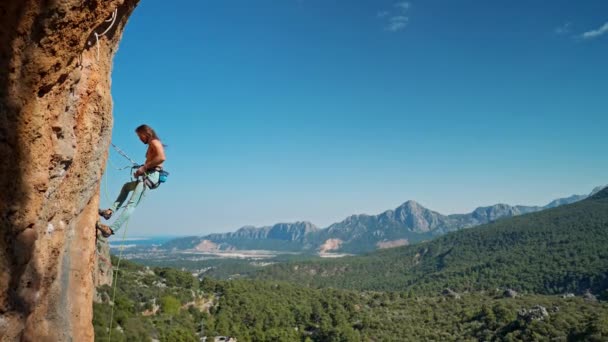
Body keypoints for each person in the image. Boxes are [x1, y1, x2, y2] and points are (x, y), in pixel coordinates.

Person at [96, 124, 166, 238]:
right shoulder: (152, 144)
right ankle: (109, 212)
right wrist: (142, 168)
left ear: (145, 133)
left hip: (152, 176)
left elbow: (162, 158)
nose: (140, 139)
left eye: (140, 136)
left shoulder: (154, 142)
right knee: (126, 187)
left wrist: (144, 168)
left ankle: (111, 229)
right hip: (150, 174)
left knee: (131, 205)